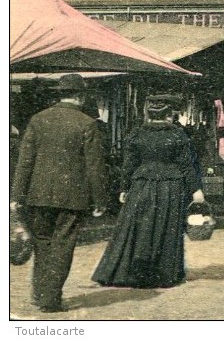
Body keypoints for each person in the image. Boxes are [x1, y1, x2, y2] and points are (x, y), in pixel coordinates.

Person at [12, 74, 109, 313]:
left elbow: (25, 162)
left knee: (42, 244)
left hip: (37, 195)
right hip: (72, 198)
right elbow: (94, 166)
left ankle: (39, 292)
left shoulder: (37, 120)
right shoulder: (87, 124)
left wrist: (17, 195)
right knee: (62, 246)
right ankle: (50, 299)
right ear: (81, 96)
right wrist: (100, 200)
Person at [92, 96, 204, 289]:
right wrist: (196, 190)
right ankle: (164, 274)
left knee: (136, 228)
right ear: (169, 115)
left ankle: (128, 271)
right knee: (166, 227)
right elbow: (187, 166)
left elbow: (128, 165)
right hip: (171, 185)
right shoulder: (178, 135)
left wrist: (124, 188)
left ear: (148, 114)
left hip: (141, 184)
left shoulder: (137, 134)